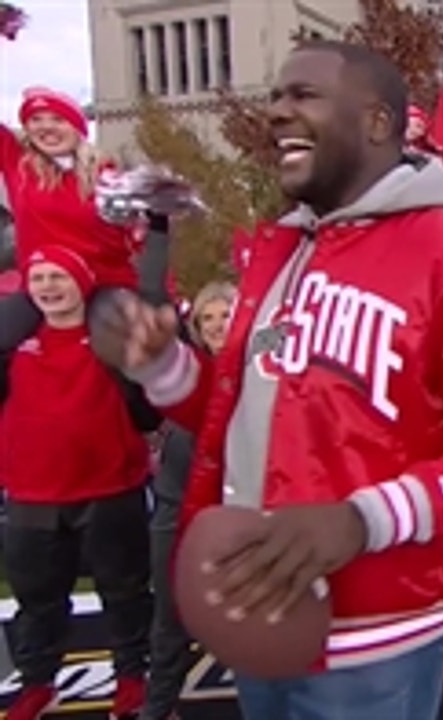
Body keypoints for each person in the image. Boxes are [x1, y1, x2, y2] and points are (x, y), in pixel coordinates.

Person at [94, 40, 443, 720]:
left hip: (379, 637)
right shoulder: (278, 250)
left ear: (376, 122)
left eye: (303, 96)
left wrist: (362, 520)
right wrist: (164, 367)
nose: (277, 112)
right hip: (260, 607)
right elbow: (250, 415)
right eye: (277, 97)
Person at [0, 246, 154, 720]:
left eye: (58, 277)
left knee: (124, 591)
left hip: (110, 487)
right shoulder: (11, 342)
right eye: (39, 277)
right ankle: (38, 684)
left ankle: (131, 678)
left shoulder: (109, 336)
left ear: (82, 282)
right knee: (37, 599)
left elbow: (147, 409)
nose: (48, 286)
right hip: (31, 492)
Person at [0, 85, 171, 354]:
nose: (47, 127)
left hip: (102, 286)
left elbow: (138, 240)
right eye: (36, 120)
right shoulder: (19, 164)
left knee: (128, 350)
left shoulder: (107, 176)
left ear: (77, 126)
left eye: (57, 119)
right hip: (44, 288)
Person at [141, 280, 235, 720]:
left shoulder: (265, 374)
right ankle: (158, 709)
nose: (217, 325)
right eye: (207, 318)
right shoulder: (189, 372)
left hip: (242, 516)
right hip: (177, 515)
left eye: (225, 314)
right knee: (170, 619)